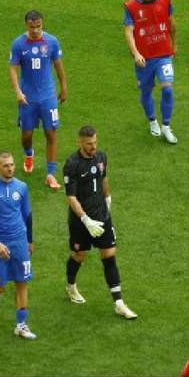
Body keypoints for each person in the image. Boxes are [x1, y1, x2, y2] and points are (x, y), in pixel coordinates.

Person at [62, 125, 138, 319]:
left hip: (102, 216)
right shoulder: (72, 164)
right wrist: (86, 219)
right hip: (81, 222)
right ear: (80, 142)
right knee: (79, 255)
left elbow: (103, 179)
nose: (93, 147)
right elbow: (71, 197)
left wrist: (108, 199)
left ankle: (119, 303)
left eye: (95, 142)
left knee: (109, 255)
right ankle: (71, 286)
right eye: (89, 144)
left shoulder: (102, 157)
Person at [9, 10, 67, 191]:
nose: (35, 30)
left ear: (42, 24)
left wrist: (64, 87)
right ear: (27, 25)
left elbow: (58, 65)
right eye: (32, 27)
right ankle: (29, 154)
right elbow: (12, 69)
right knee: (27, 135)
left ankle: (50, 174)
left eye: (38, 26)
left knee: (51, 133)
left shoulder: (51, 41)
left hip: (48, 96)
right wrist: (18, 91)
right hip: (27, 97)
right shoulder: (19, 44)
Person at [0, 152, 36, 340]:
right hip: (0, 243)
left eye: (12, 164)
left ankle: (21, 325)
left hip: (19, 241)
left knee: (22, 281)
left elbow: (27, 215)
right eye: (5, 165)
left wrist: (29, 240)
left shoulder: (22, 187)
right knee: (0, 285)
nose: (10, 168)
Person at [123, 0, 177, 143]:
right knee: (146, 91)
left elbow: (171, 23)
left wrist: (173, 45)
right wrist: (136, 53)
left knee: (167, 89)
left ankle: (166, 126)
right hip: (145, 59)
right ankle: (153, 121)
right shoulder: (131, 6)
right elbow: (128, 32)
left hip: (163, 55)